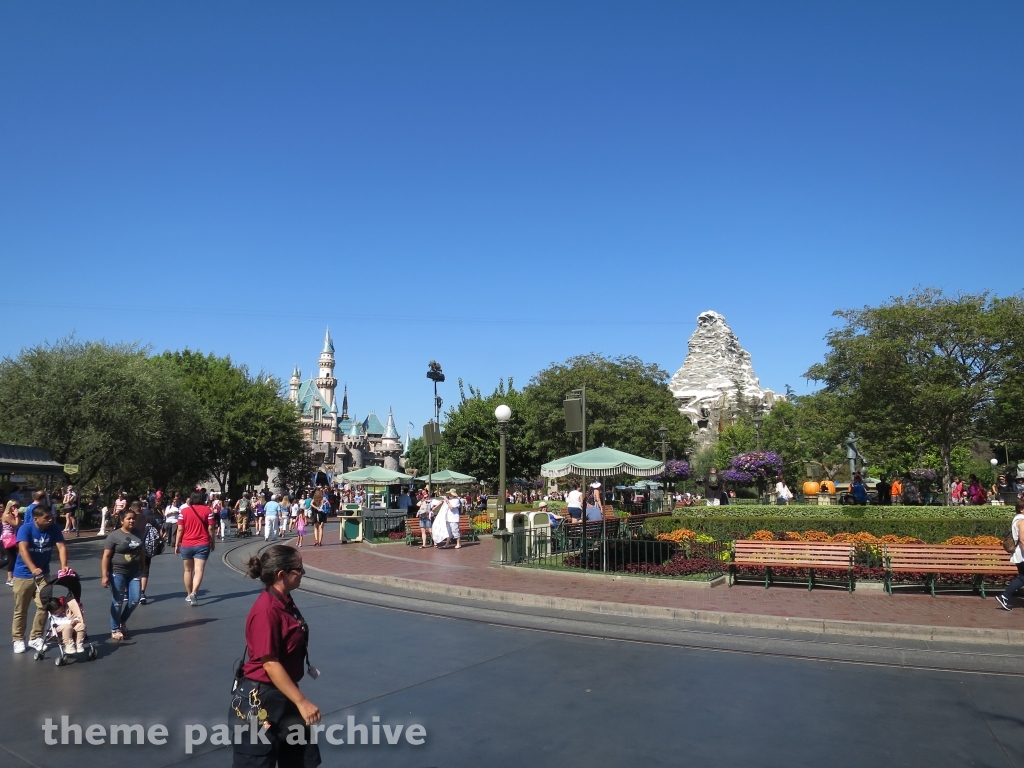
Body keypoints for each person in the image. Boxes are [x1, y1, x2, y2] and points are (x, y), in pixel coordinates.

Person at [234, 545, 321, 768]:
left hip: (284, 694)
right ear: (282, 574)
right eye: (299, 569)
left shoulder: (284, 600)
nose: (303, 573)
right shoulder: (266, 610)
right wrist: (302, 702)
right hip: (261, 700)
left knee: (302, 760)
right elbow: (270, 663)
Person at [11, 503, 68, 654]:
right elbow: (22, 549)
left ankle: (35, 637)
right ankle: (18, 639)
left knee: (44, 605)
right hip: (23, 575)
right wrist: (32, 568)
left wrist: (64, 565)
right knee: (21, 609)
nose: (50, 520)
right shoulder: (26, 528)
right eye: (46, 517)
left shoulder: (54, 528)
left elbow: (61, 546)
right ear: (36, 519)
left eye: (51, 516)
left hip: (43, 575)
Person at [101, 507, 143, 641]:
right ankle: (115, 629)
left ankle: (122, 621)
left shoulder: (137, 532)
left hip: (134, 571)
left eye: (133, 518)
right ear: (122, 520)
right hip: (117, 572)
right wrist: (104, 575)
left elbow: (141, 550)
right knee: (118, 601)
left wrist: (143, 566)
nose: (131, 521)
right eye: (128, 518)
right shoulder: (114, 536)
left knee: (135, 599)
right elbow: (106, 556)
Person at [175, 491, 216, 606]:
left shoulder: (183, 511)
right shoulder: (208, 511)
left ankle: (188, 594)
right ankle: (194, 592)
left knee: (187, 570)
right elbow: (211, 528)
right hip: (202, 543)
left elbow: (180, 529)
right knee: (199, 570)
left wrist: (177, 544)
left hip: (186, 544)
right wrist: (213, 541)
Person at [997, 502, 1024, 610]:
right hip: (1022, 554)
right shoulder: (1021, 521)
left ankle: (1004, 596)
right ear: (1021, 509)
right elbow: (1022, 540)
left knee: (1022, 577)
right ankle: (1004, 596)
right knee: (1022, 578)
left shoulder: (1017, 519)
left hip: (1019, 554)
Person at [3, 500, 20, 587]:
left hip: (12, 537)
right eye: (15, 506)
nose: (16, 508)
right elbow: (16, 524)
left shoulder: (11, 515)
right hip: (8, 538)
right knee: (12, 558)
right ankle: (9, 578)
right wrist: (16, 515)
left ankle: (12, 577)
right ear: (10, 507)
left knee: (13, 557)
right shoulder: (7, 515)